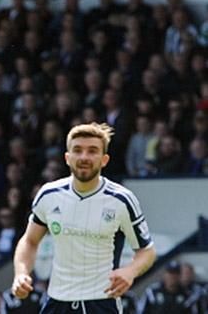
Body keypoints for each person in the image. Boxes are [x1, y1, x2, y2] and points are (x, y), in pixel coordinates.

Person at [11, 123, 157, 313]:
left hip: (101, 302)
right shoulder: (48, 195)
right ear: (67, 157)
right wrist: (21, 274)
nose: (84, 157)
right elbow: (30, 241)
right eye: (77, 150)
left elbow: (147, 251)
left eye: (92, 151)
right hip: (57, 303)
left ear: (104, 160)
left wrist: (130, 271)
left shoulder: (122, 200)